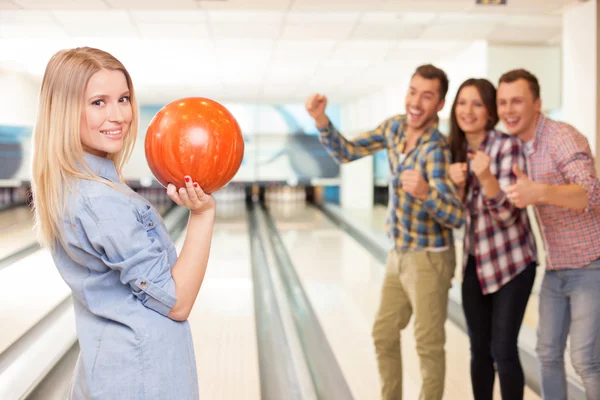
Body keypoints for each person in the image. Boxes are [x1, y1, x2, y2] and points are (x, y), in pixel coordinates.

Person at [30, 47, 215, 399]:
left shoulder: (76, 186)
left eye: (124, 98)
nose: (118, 115)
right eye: (98, 102)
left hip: (114, 369)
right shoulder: (101, 201)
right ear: (65, 111)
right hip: (141, 379)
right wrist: (202, 215)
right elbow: (176, 302)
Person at [305, 64, 465, 400]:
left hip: (429, 259)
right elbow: (347, 152)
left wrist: (426, 193)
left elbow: (455, 216)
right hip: (399, 253)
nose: (416, 102)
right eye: (412, 91)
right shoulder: (394, 128)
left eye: (427, 96)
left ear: (439, 104)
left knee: (427, 344)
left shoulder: (437, 149)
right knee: (383, 334)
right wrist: (322, 120)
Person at [497, 69, 600, 400]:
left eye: (517, 101)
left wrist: (538, 191)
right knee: (547, 354)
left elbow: (591, 194)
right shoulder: (519, 146)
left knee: (586, 360)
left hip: (591, 265)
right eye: (502, 102)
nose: (508, 110)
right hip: (556, 268)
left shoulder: (560, 137)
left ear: (537, 104)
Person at [447, 78, 537, 400]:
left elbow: (507, 215)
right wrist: (456, 186)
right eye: (461, 103)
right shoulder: (455, 151)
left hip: (512, 262)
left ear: (489, 112)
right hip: (475, 261)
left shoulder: (507, 147)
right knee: (479, 350)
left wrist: (485, 176)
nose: (467, 111)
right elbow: (457, 217)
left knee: (503, 349)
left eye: (477, 104)